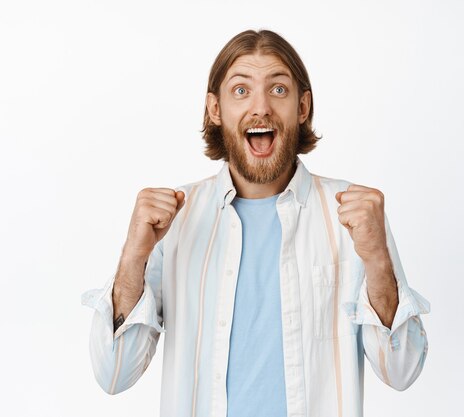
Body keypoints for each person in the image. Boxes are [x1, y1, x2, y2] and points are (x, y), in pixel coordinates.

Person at [82, 29, 430, 417]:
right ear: (215, 110)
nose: (261, 108)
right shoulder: (173, 222)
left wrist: (378, 259)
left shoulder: (353, 214)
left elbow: (401, 371)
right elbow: (114, 375)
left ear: (303, 107)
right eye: (241, 91)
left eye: (279, 90)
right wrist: (133, 255)